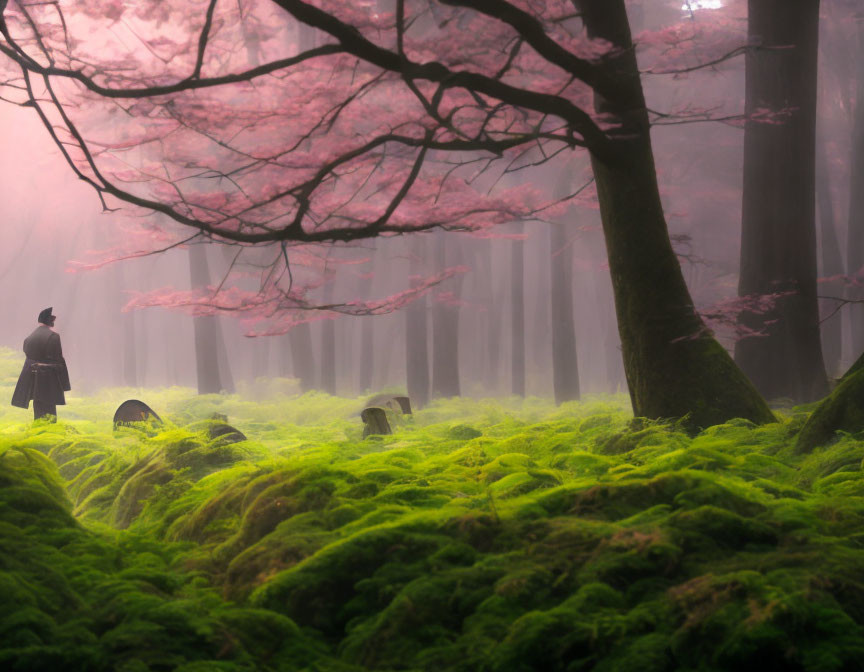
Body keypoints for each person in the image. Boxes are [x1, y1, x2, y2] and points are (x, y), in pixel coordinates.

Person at [11, 307, 71, 421]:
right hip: (48, 378)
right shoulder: (54, 336)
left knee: (38, 410)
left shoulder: (29, 338)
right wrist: (65, 383)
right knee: (49, 412)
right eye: (52, 319)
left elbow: (28, 357)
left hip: (33, 379)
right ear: (48, 321)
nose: (53, 322)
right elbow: (58, 360)